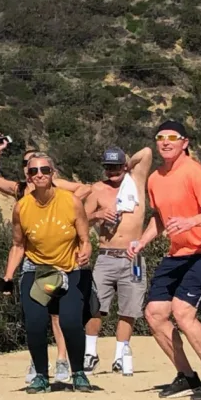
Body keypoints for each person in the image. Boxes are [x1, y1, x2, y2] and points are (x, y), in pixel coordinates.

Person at [128, 120, 201, 400]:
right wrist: (142, 241)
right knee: (154, 314)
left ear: (184, 142)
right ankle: (187, 377)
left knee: (182, 312)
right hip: (177, 254)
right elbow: (160, 218)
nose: (165, 142)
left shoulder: (194, 172)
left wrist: (192, 221)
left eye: (172, 137)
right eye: (160, 137)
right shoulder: (155, 178)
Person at [0, 144, 86, 384]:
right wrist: (7, 277)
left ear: (53, 173)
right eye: (32, 170)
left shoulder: (68, 200)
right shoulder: (21, 202)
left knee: (69, 321)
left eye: (44, 169)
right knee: (35, 322)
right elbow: (18, 245)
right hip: (36, 268)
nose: (38, 174)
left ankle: (75, 369)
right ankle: (41, 373)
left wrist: (84, 250)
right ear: (27, 174)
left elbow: (84, 236)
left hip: (67, 268)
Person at [81, 145, 153, 374]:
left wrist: (129, 165)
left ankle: (121, 355)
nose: (112, 172)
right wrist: (98, 215)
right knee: (95, 306)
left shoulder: (136, 181)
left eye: (116, 167)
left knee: (129, 309)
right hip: (106, 254)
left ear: (124, 166)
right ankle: (90, 353)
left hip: (132, 255)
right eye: (108, 168)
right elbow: (81, 219)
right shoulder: (97, 190)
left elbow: (148, 152)